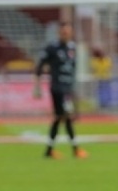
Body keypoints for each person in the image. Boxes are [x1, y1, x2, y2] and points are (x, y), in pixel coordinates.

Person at [34, 22, 87, 159]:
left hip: (68, 88)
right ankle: (75, 149)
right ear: (59, 33)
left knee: (59, 118)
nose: (65, 34)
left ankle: (49, 150)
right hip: (58, 88)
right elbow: (40, 67)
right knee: (67, 116)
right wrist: (37, 87)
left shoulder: (73, 48)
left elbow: (73, 69)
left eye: (68, 32)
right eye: (63, 32)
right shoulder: (52, 48)